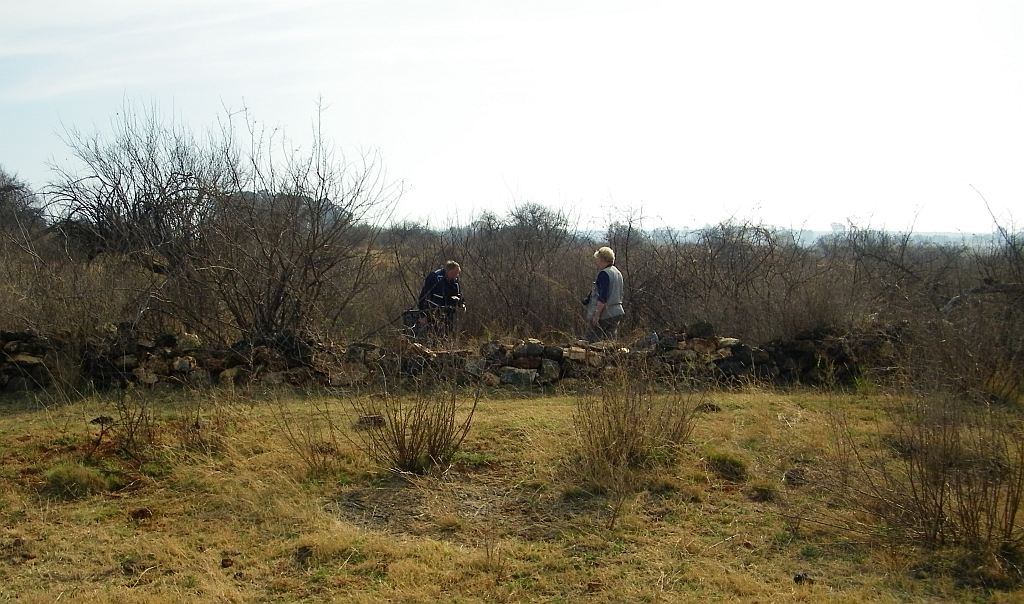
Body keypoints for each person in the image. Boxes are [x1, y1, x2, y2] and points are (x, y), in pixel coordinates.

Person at [413, 260, 465, 338]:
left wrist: (462, 304)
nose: (456, 276)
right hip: (432, 314)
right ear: (449, 271)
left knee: (447, 336)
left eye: (457, 273)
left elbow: (459, 295)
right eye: (455, 273)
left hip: (448, 315)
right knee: (433, 336)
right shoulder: (435, 277)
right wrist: (423, 315)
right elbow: (424, 296)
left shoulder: (455, 281)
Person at [583, 247, 625, 342]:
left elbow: (602, 297)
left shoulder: (604, 274)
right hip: (617, 312)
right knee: (610, 344)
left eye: (597, 259)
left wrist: (596, 315)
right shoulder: (617, 272)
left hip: (605, 313)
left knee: (591, 342)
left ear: (602, 259)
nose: (596, 262)